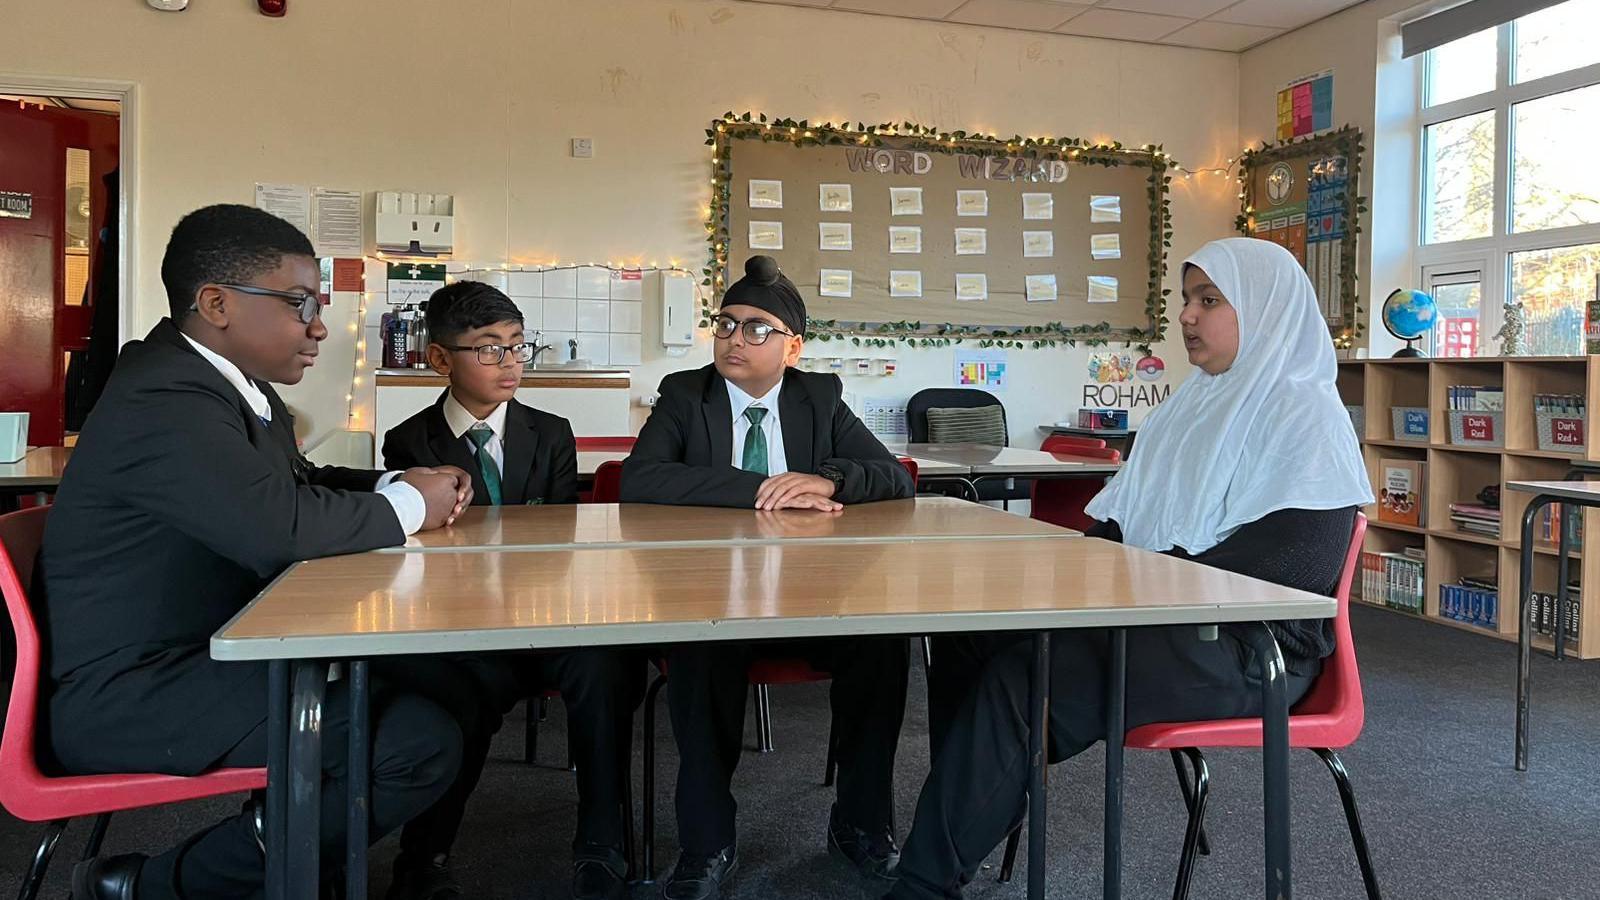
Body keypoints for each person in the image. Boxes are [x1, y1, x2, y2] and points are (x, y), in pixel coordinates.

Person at [891, 237, 1375, 900]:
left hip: (1248, 648)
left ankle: (922, 882)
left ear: (1265, 311)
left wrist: (1142, 580)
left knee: (1028, 677)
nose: (1186, 317)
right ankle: (968, 820)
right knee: (971, 637)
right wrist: (1065, 566)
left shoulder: (1303, 412)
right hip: (1169, 615)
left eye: (1209, 301)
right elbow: (1124, 524)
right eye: (1185, 300)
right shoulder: (1191, 404)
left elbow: (1292, 567)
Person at [37, 204, 475, 900]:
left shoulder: (216, 386)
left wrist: (398, 483)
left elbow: (295, 486)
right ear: (216, 303)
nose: (319, 326)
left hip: (200, 653)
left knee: (446, 684)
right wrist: (412, 508)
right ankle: (149, 886)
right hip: (133, 691)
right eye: (299, 303)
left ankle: (299, 853)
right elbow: (280, 528)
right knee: (415, 744)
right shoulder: (166, 396)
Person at [621, 256, 915, 899]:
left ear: (793, 346)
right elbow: (642, 480)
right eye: (726, 323)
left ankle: (861, 824)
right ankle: (706, 840)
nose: (734, 337)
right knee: (701, 658)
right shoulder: (684, 394)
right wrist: (767, 489)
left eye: (757, 327)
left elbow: (893, 477)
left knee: (884, 648)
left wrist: (829, 478)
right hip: (716, 593)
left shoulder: (820, 396)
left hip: (812, 595)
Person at [380, 280, 642, 900]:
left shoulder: (550, 432)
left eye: (519, 347)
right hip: (461, 622)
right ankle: (422, 861)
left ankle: (603, 847)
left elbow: (555, 540)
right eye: (489, 349)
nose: (510, 363)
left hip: (544, 614)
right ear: (440, 359)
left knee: (604, 666)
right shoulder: (408, 443)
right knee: (449, 698)